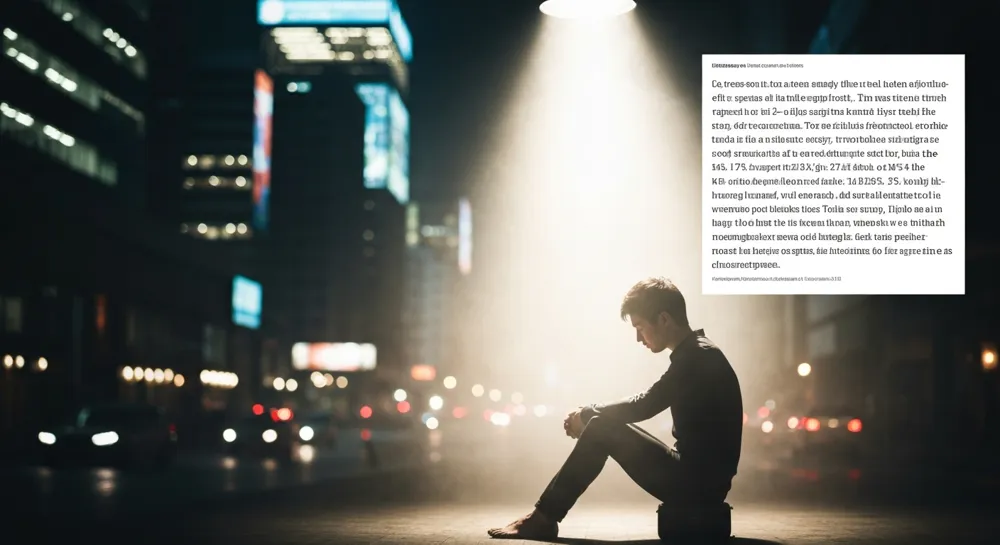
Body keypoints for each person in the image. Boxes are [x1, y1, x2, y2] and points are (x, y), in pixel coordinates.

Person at [488, 277, 744, 540]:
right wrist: (591, 415)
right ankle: (543, 517)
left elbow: (645, 404)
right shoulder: (699, 352)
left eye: (640, 327)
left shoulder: (697, 357)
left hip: (696, 485)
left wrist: (587, 413)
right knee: (601, 426)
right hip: (701, 480)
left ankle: (542, 518)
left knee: (600, 428)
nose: (637, 338)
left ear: (664, 319)